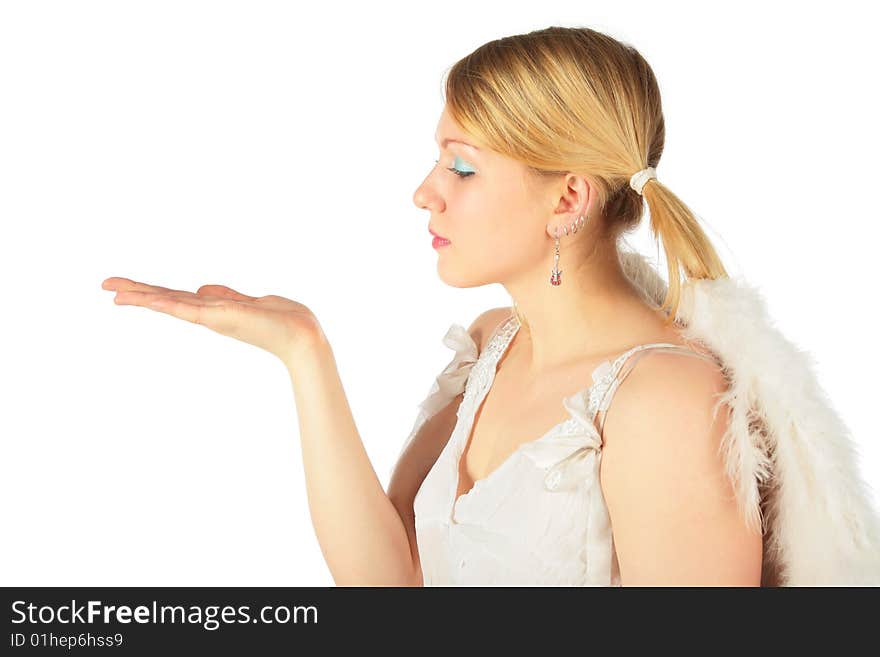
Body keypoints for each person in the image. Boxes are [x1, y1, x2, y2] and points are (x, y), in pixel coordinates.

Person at [102, 26, 880, 586]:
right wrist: (305, 353)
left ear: (568, 197)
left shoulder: (663, 402)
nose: (424, 191)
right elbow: (388, 585)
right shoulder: (491, 346)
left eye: (463, 167)